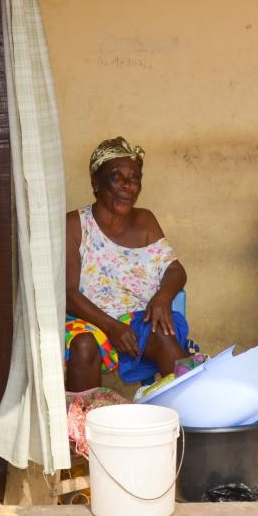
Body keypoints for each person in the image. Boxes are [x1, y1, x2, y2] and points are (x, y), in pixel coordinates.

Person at [64, 136, 193, 393]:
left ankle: (194, 413)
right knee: (84, 345)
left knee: (165, 335)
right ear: (95, 182)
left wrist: (162, 298)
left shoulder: (145, 220)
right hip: (90, 320)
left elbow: (174, 269)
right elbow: (67, 294)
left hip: (138, 317)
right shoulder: (75, 225)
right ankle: (80, 429)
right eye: (116, 177)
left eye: (134, 178)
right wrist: (111, 327)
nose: (127, 185)